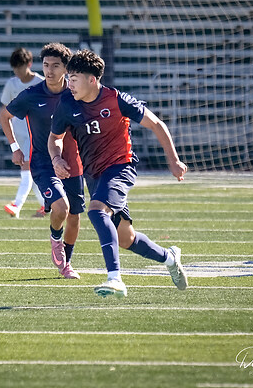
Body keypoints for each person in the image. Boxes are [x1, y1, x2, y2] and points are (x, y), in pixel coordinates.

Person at [49, 49, 188, 297]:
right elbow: (54, 138)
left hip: (120, 167)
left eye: (74, 79)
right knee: (126, 239)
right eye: (69, 78)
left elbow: (157, 124)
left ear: (92, 80)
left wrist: (174, 161)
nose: (69, 83)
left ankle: (115, 279)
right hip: (94, 175)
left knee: (96, 211)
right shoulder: (67, 103)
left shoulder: (117, 100)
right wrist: (56, 158)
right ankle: (170, 258)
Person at [0, 43, 85, 279]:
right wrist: (15, 148)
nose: (49, 70)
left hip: (73, 163)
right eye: (46, 65)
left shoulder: (77, 94)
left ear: (66, 69)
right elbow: (5, 116)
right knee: (62, 208)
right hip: (43, 164)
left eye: (56, 66)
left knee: (74, 217)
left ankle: (66, 263)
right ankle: (55, 239)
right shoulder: (32, 95)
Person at [0, 47, 45, 218]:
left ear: (29, 64)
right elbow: (5, 107)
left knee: (27, 170)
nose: (17, 71)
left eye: (20, 67)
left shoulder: (41, 83)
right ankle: (45, 205)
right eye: (15, 68)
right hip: (17, 134)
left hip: (35, 134)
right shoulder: (11, 84)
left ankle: (16, 205)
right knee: (31, 171)